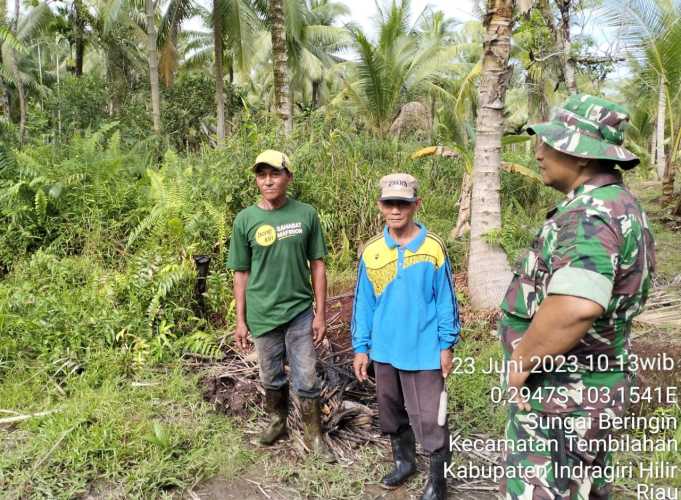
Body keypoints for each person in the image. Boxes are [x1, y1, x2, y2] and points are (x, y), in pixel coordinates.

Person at [499, 95, 656, 499]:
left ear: (582, 156)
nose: (539, 152)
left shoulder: (589, 214)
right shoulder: (621, 205)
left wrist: (522, 362)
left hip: (564, 391)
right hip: (593, 386)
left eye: (549, 143)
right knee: (583, 487)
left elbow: (576, 305)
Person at [352, 173, 461, 500]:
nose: (396, 209)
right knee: (392, 411)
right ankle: (404, 461)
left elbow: (446, 301)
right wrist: (361, 347)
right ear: (380, 205)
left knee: (430, 417)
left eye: (403, 203)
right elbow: (364, 303)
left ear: (416, 205)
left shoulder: (433, 248)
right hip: (384, 350)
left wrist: (447, 345)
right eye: (389, 202)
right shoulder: (372, 251)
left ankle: (438, 480)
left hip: (424, 350)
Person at [227, 149, 334, 462]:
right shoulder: (245, 220)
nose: (268, 180)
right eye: (262, 174)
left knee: (307, 376)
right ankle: (278, 422)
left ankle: (314, 435)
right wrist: (240, 320)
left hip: (299, 311)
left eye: (275, 173)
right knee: (270, 374)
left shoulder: (305, 215)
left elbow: (318, 265)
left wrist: (320, 314)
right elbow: (241, 272)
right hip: (262, 314)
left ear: (289, 176)